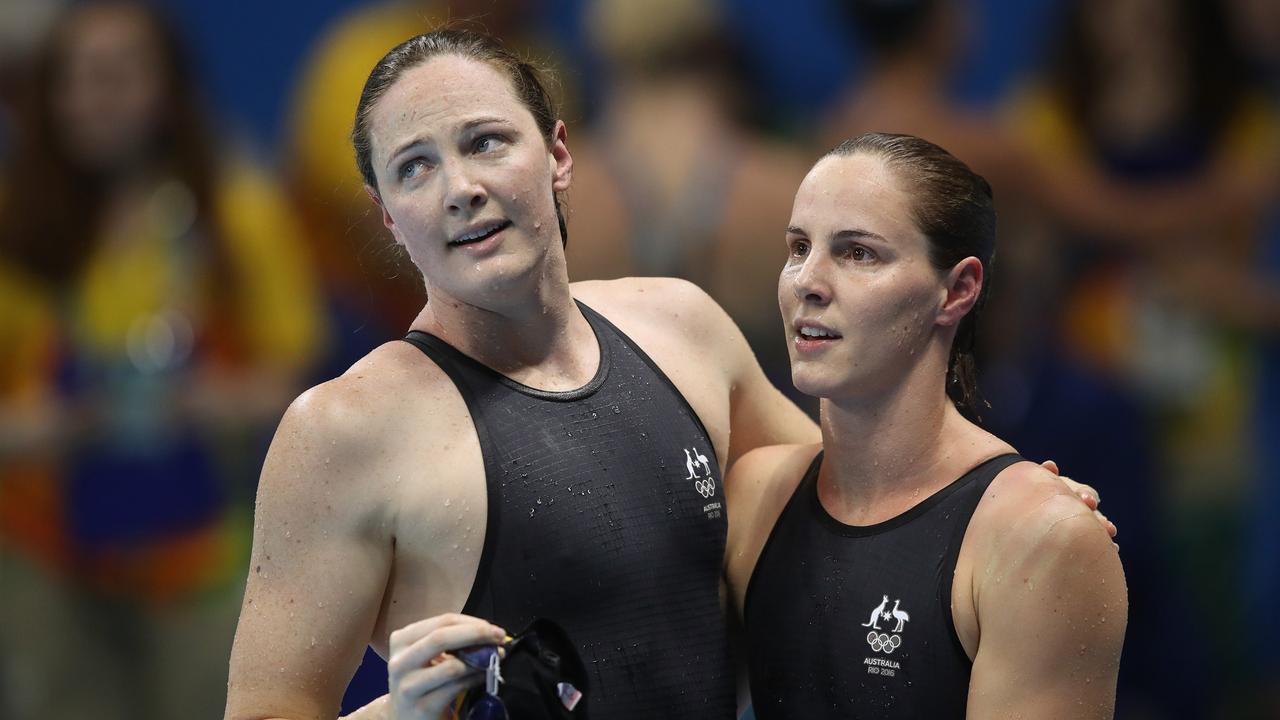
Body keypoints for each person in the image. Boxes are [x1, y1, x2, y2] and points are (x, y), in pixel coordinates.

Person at [223, 30, 1110, 720]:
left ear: (560, 155)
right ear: (385, 215)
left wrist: (1011, 508)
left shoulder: (680, 328)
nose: (459, 188)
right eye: (415, 168)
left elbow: (861, 506)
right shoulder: (343, 432)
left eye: (486, 143)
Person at [724, 133, 1127, 718]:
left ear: (957, 289)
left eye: (858, 253)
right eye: (798, 247)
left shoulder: (1038, 543)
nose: (807, 281)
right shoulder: (755, 496)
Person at [0, 2, 325, 719]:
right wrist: (43, 427)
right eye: (70, 79)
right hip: (46, 556)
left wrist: (203, 400)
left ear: (168, 85)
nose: (90, 100)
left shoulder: (236, 212)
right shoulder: (16, 225)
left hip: (196, 551)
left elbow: (296, 382)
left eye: (115, 75)